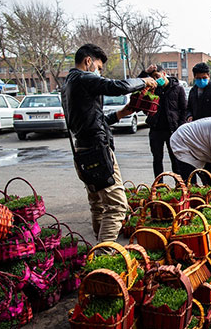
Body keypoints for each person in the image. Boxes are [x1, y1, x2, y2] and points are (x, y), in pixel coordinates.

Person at [61, 43, 157, 245]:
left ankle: (99, 247)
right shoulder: (84, 78)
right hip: (97, 151)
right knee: (117, 207)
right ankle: (103, 255)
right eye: (99, 67)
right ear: (88, 61)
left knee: (97, 204)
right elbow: (116, 87)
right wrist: (143, 80)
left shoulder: (69, 84)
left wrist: (121, 114)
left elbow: (92, 120)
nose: (99, 72)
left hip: (82, 150)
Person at [139, 64, 187, 178]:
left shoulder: (178, 88)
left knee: (175, 159)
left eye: (157, 76)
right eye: (153, 78)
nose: (156, 80)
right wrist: (145, 73)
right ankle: (159, 186)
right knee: (157, 159)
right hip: (156, 129)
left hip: (173, 130)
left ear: (164, 74)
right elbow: (138, 87)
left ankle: (179, 185)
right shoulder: (152, 90)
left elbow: (184, 109)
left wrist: (180, 126)